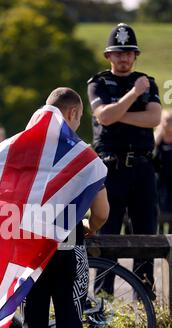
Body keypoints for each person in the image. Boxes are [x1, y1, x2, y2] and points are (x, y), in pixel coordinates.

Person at [12, 88, 109, 328]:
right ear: (70, 115)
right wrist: (88, 226)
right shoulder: (82, 155)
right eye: (80, 117)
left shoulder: (21, 149)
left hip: (30, 253)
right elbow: (102, 212)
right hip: (66, 248)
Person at [87, 23, 161, 298]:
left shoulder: (147, 81)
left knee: (146, 233)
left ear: (136, 55)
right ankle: (102, 298)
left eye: (129, 53)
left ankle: (144, 295)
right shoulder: (99, 83)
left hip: (141, 167)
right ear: (109, 56)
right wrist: (132, 96)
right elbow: (103, 117)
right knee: (108, 232)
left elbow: (154, 118)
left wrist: (118, 113)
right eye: (118, 53)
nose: (124, 58)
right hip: (110, 168)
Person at [154, 110, 172, 233]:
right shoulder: (158, 136)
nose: (168, 123)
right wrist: (159, 134)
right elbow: (151, 149)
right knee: (159, 211)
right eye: (166, 120)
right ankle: (159, 240)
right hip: (159, 179)